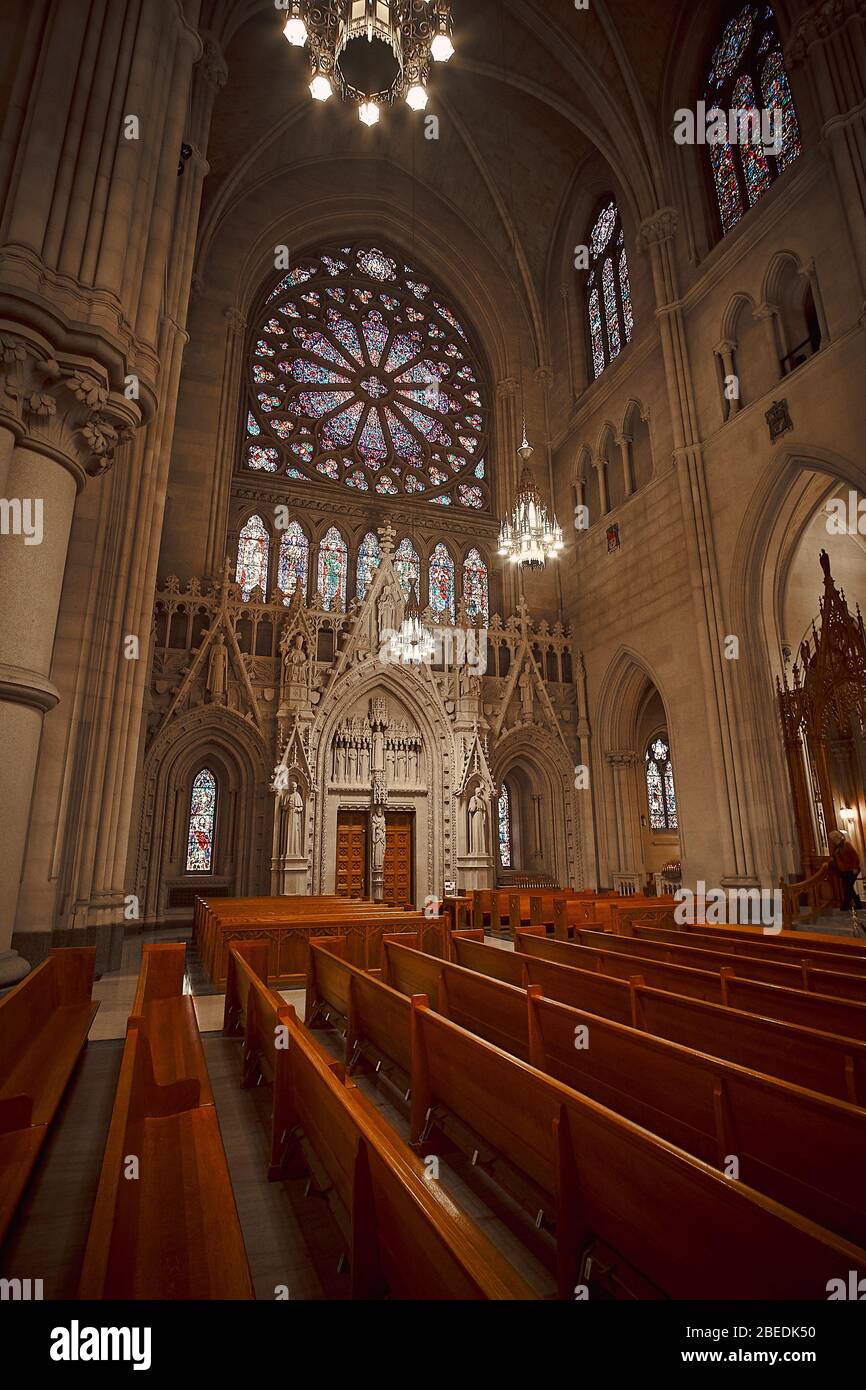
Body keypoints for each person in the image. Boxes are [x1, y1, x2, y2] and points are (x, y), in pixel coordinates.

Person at [829, 830, 863, 909]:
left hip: (851, 869)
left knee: (848, 887)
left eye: (832, 838)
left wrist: (855, 867)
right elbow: (835, 857)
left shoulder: (846, 844)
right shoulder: (835, 847)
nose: (831, 840)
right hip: (843, 870)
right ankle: (857, 904)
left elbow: (855, 856)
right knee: (849, 888)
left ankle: (845, 905)